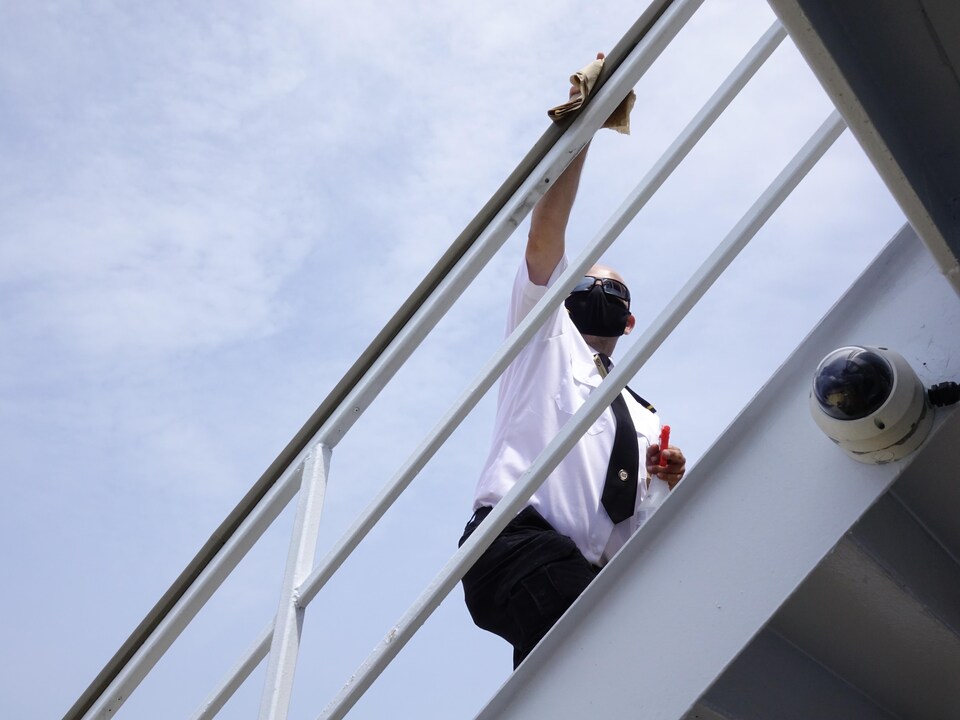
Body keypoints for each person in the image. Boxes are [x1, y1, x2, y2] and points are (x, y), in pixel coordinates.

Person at [458, 58, 687, 669]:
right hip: (515, 541)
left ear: (629, 320)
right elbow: (545, 235)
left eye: (611, 292)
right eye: (582, 285)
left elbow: (633, 524)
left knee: (579, 673)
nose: (594, 295)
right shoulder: (542, 336)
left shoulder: (643, 416)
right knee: (598, 651)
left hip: (587, 569)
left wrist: (667, 480)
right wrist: (582, 130)